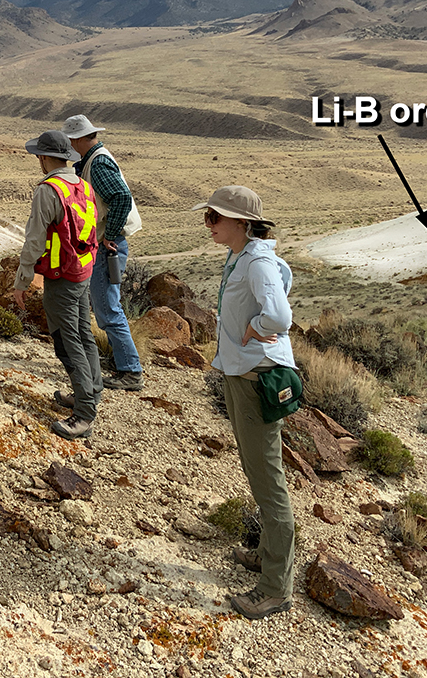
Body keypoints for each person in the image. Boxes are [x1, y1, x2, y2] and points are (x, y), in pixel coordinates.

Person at [192, 185, 296, 620]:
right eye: (208, 217)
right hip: (244, 374)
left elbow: (280, 315)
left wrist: (256, 327)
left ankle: (275, 588)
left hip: (257, 379)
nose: (208, 225)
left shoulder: (256, 261)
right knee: (256, 469)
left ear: (241, 222)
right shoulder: (242, 256)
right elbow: (285, 277)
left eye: (215, 218)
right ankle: (269, 555)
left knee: (268, 481)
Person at [12, 130, 103, 440]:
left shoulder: (48, 191)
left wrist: (21, 281)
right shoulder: (83, 185)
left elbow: (34, 241)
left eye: (40, 155)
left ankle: (84, 414)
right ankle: (90, 392)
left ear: (45, 158)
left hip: (62, 276)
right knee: (83, 334)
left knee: (68, 342)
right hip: (83, 270)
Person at [61, 114, 143, 390]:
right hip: (110, 242)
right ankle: (124, 365)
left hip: (110, 244)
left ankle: (130, 371)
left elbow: (121, 197)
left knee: (108, 310)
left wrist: (110, 234)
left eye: (72, 139)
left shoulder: (97, 163)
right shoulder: (95, 159)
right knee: (106, 307)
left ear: (77, 139)